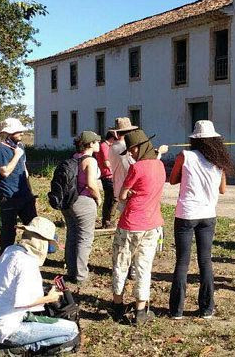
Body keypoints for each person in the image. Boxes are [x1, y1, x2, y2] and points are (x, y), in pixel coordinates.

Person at [168, 120, 235, 318]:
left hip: (187, 214)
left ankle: (177, 310)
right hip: (208, 214)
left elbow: (172, 179)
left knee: (182, 262)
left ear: (194, 139)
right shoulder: (219, 161)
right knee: (205, 261)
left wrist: (188, 177)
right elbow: (223, 190)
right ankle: (207, 308)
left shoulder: (185, 156)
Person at [0, 217, 79, 354]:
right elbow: (24, 301)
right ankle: (19, 350)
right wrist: (50, 298)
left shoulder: (10, 251)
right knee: (71, 330)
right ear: (42, 243)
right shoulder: (27, 263)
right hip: (10, 329)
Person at [111, 130, 166, 324]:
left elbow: (121, 195)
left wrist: (131, 192)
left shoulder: (137, 168)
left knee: (121, 263)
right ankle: (140, 311)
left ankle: (117, 306)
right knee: (144, 267)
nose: (130, 154)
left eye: (132, 150)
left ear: (141, 147)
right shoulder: (160, 165)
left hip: (130, 224)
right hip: (152, 224)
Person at [63, 131, 102, 285]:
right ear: (90, 144)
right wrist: (98, 198)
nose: (99, 143)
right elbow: (91, 184)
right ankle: (80, 275)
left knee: (72, 235)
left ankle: (71, 271)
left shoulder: (74, 158)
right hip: (84, 201)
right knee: (85, 238)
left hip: (68, 201)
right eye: (97, 141)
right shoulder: (90, 161)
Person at [0, 118, 38, 250]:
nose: (22, 133)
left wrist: (30, 191)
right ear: (9, 133)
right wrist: (16, 156)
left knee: (33, 226)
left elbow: (24, 169)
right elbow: (4, 172)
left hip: (24, 194)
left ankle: (32, 254)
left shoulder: (20, 147)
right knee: (8, 231)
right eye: (18, 131)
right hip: (8, 196)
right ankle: (5, 258)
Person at [95, 130, 116, 229]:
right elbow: (107, 163)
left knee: (110, 198)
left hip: (107, 176)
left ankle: (107, 220)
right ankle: (107, 220)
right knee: (112, 199)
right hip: (108, 176)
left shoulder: (104, 146)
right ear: (112, 138)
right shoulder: (104, 146)